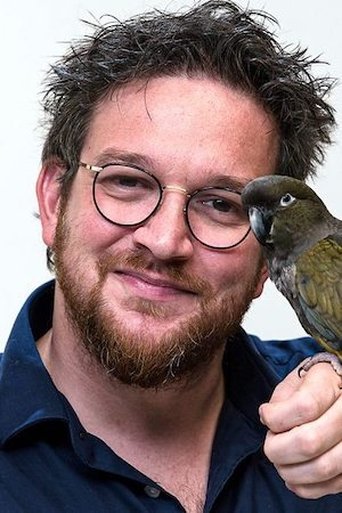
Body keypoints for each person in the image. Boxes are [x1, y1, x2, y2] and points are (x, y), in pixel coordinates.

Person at [0, 1, 341, 511]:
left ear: (263, 262)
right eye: (128, 182)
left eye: (220, 205)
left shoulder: (321, 402)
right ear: (53, 202)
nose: (164, 241)